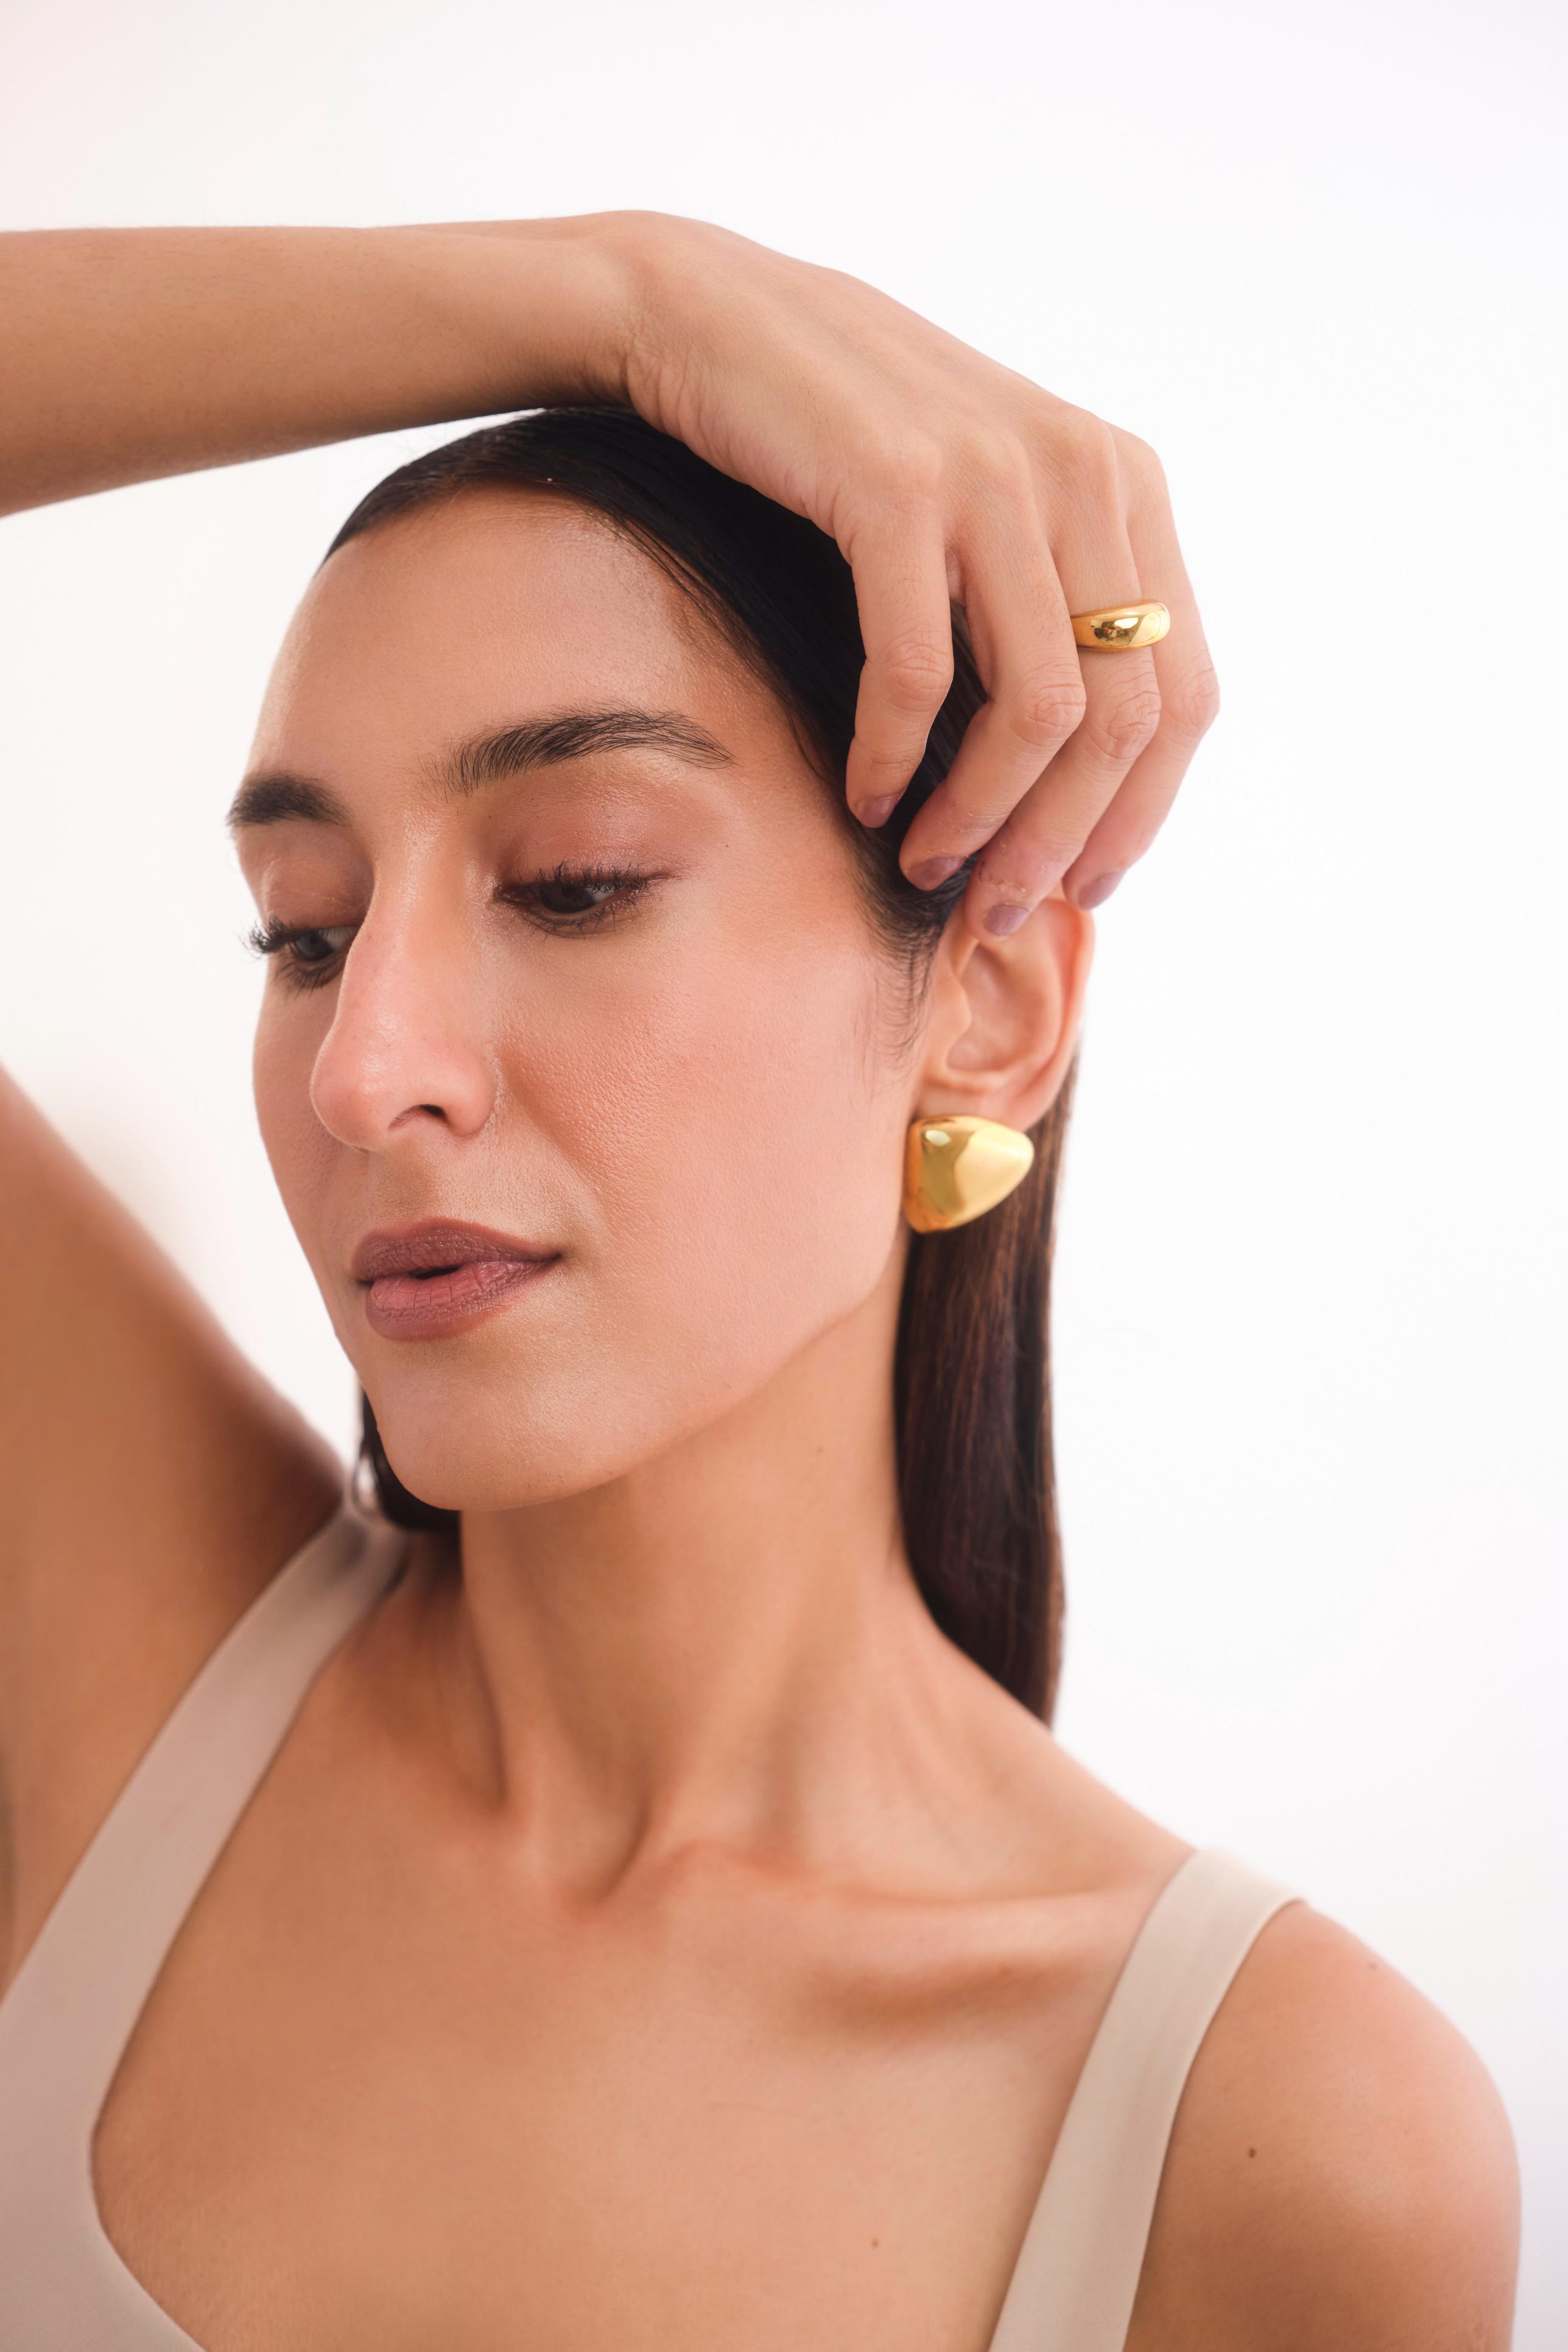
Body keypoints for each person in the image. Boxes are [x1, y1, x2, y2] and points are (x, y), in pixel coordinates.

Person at [0, 214, 1518, 2351]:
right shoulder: (127, 1688)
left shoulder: (1273, 2146)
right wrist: (628, 296)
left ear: (984, 1008)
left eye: (576, 883)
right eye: (304, 928)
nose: (364, 1066)